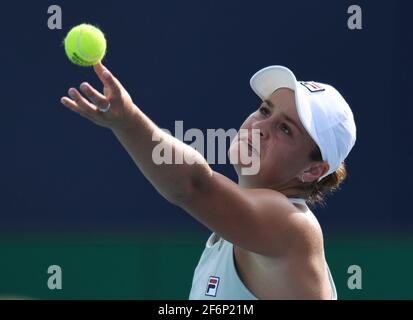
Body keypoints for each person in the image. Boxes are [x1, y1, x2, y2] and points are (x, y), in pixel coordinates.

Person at [61, 63, 356, 300]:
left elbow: (194, 186)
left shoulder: (292, 226)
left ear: (313, 171)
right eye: (265, 110)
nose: (260, 126)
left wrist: (127, 121)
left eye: (285, 129)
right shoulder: (238, 231)